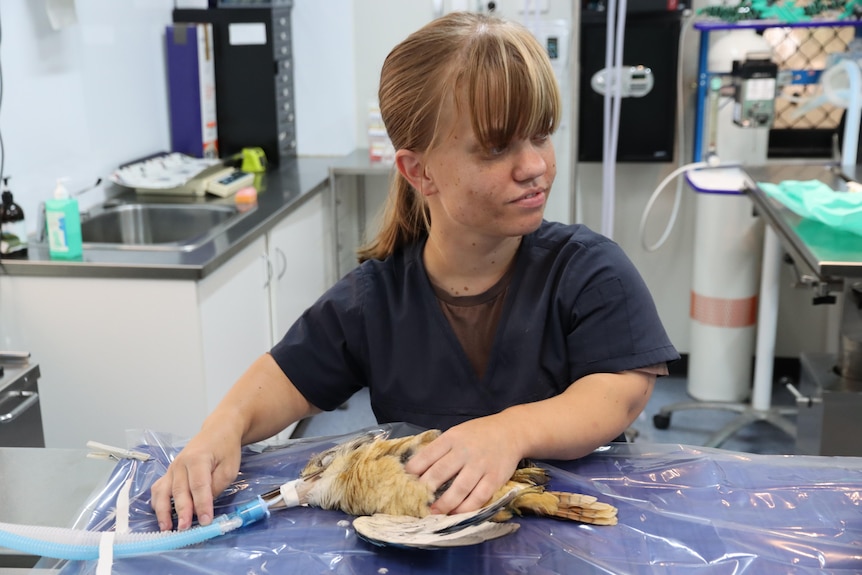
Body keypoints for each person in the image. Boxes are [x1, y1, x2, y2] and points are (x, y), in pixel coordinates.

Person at [150, 10, 679, 532]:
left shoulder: (588, 273)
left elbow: (618, 391)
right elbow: (283, 376)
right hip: (434, 543)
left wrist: (511, 431)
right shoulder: (375, 301)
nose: (534, 166)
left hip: (575, 533)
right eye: (497, 147)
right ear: (419, 171)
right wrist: (221, 428)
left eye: (541, 135)